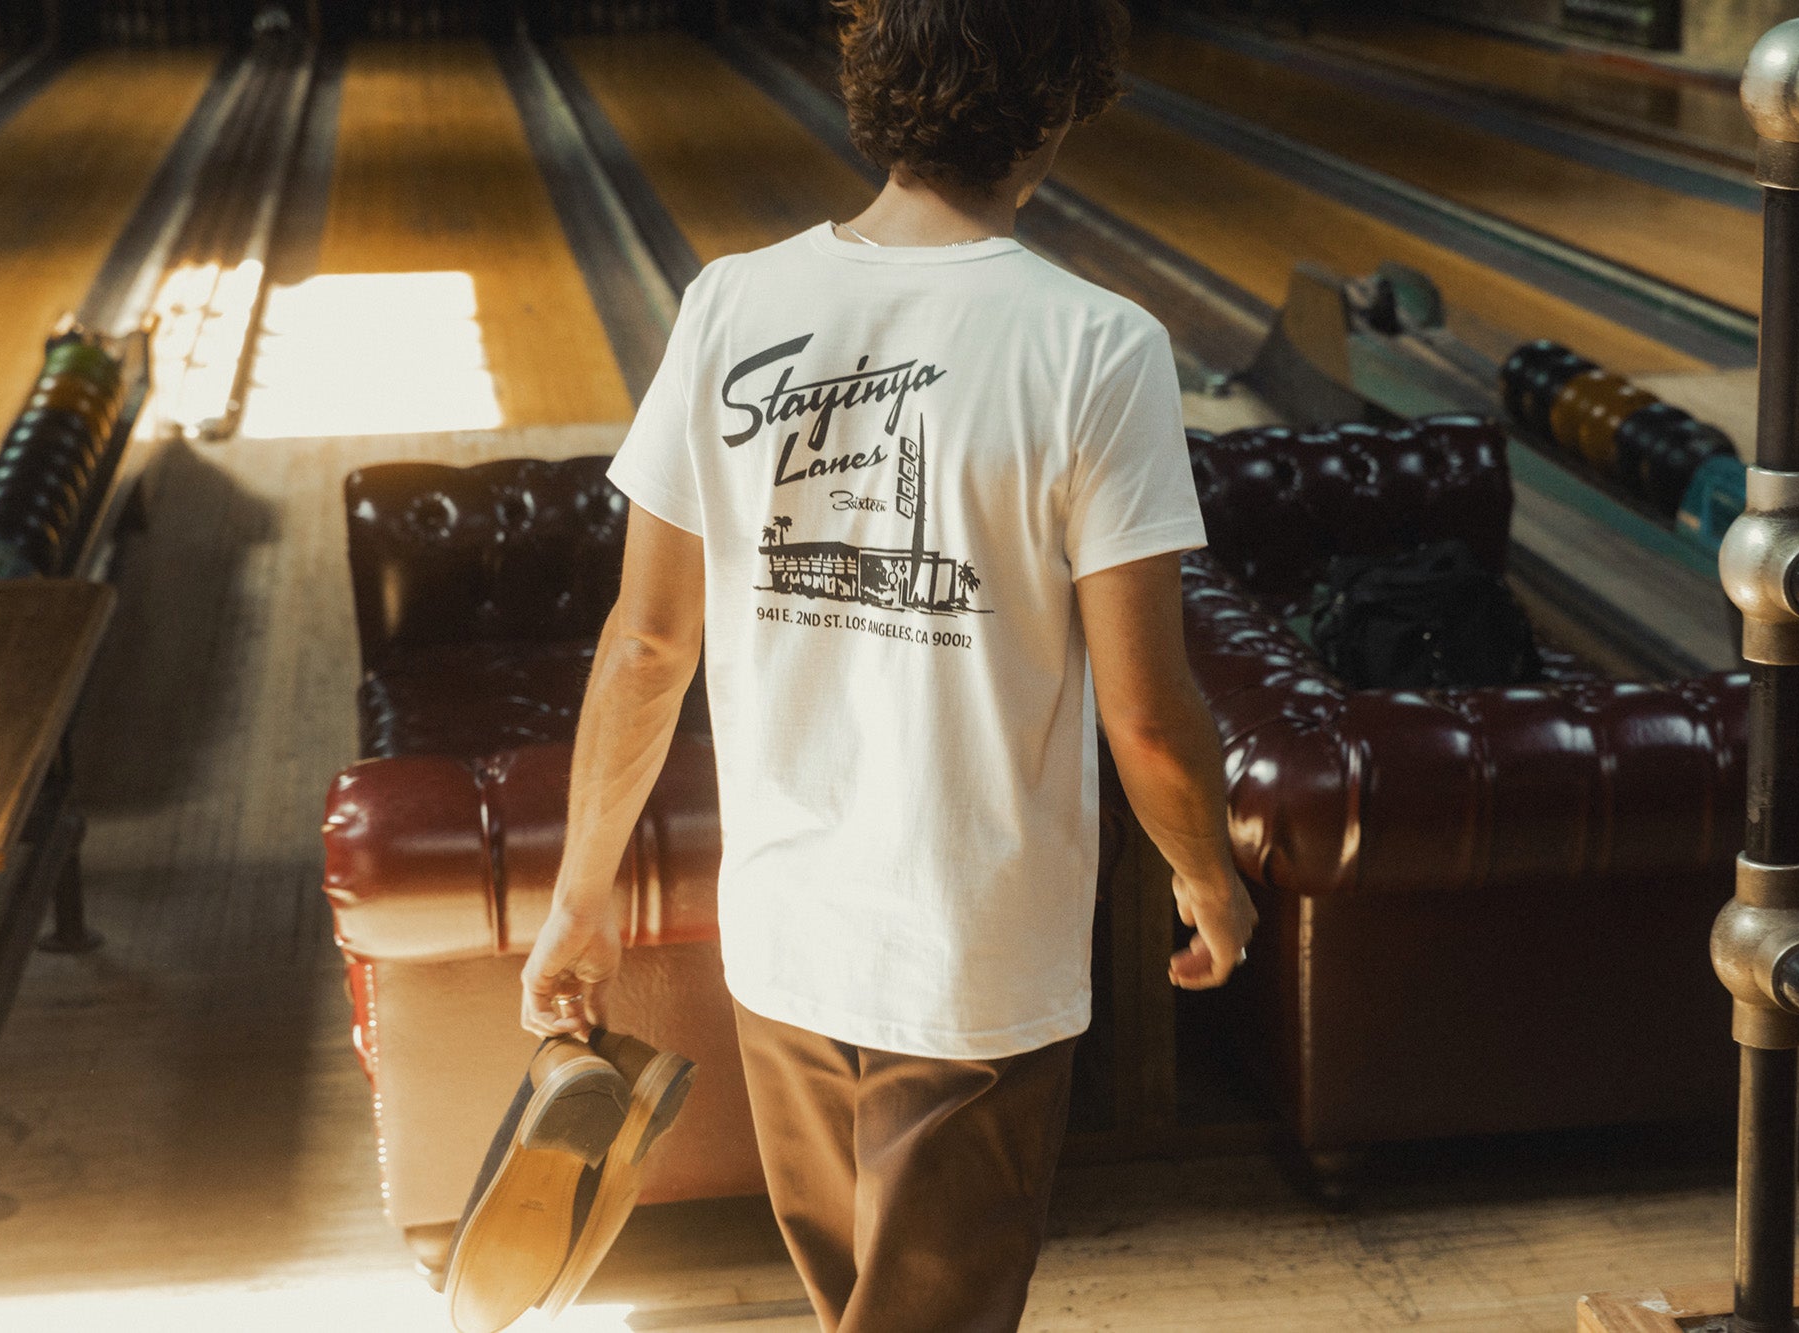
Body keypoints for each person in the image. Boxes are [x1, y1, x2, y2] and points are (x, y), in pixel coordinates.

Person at [518, 0, 1257, 1326]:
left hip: (789, 938)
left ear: (876, 81)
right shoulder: (1097, 345)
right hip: (972, 958)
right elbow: (1150, 712)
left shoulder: (731, 299)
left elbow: (643, 647)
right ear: (1060, 102)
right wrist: (1210, 877)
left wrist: (580, 898)